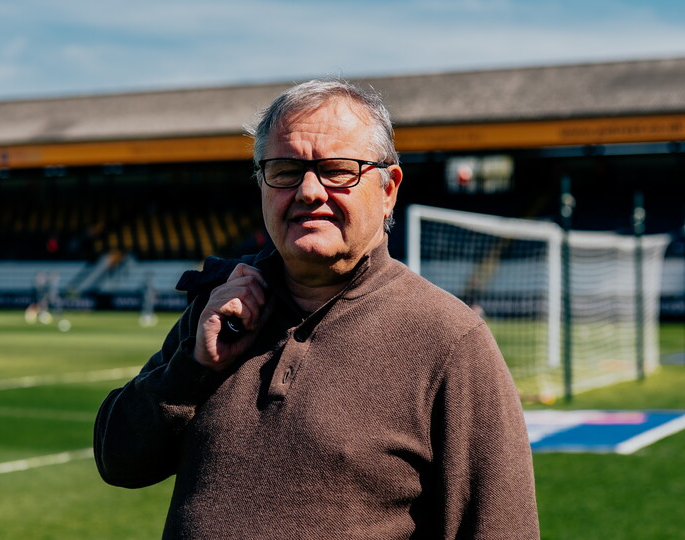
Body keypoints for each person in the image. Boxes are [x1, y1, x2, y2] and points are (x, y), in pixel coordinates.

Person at [94, 79, 539, 538]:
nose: (308, 191)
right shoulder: (222, 305)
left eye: (338, 170)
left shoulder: (449, 340)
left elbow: (501, 528)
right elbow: (118, 462)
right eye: (285, 170)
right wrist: (193, 369)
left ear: (388, 189)